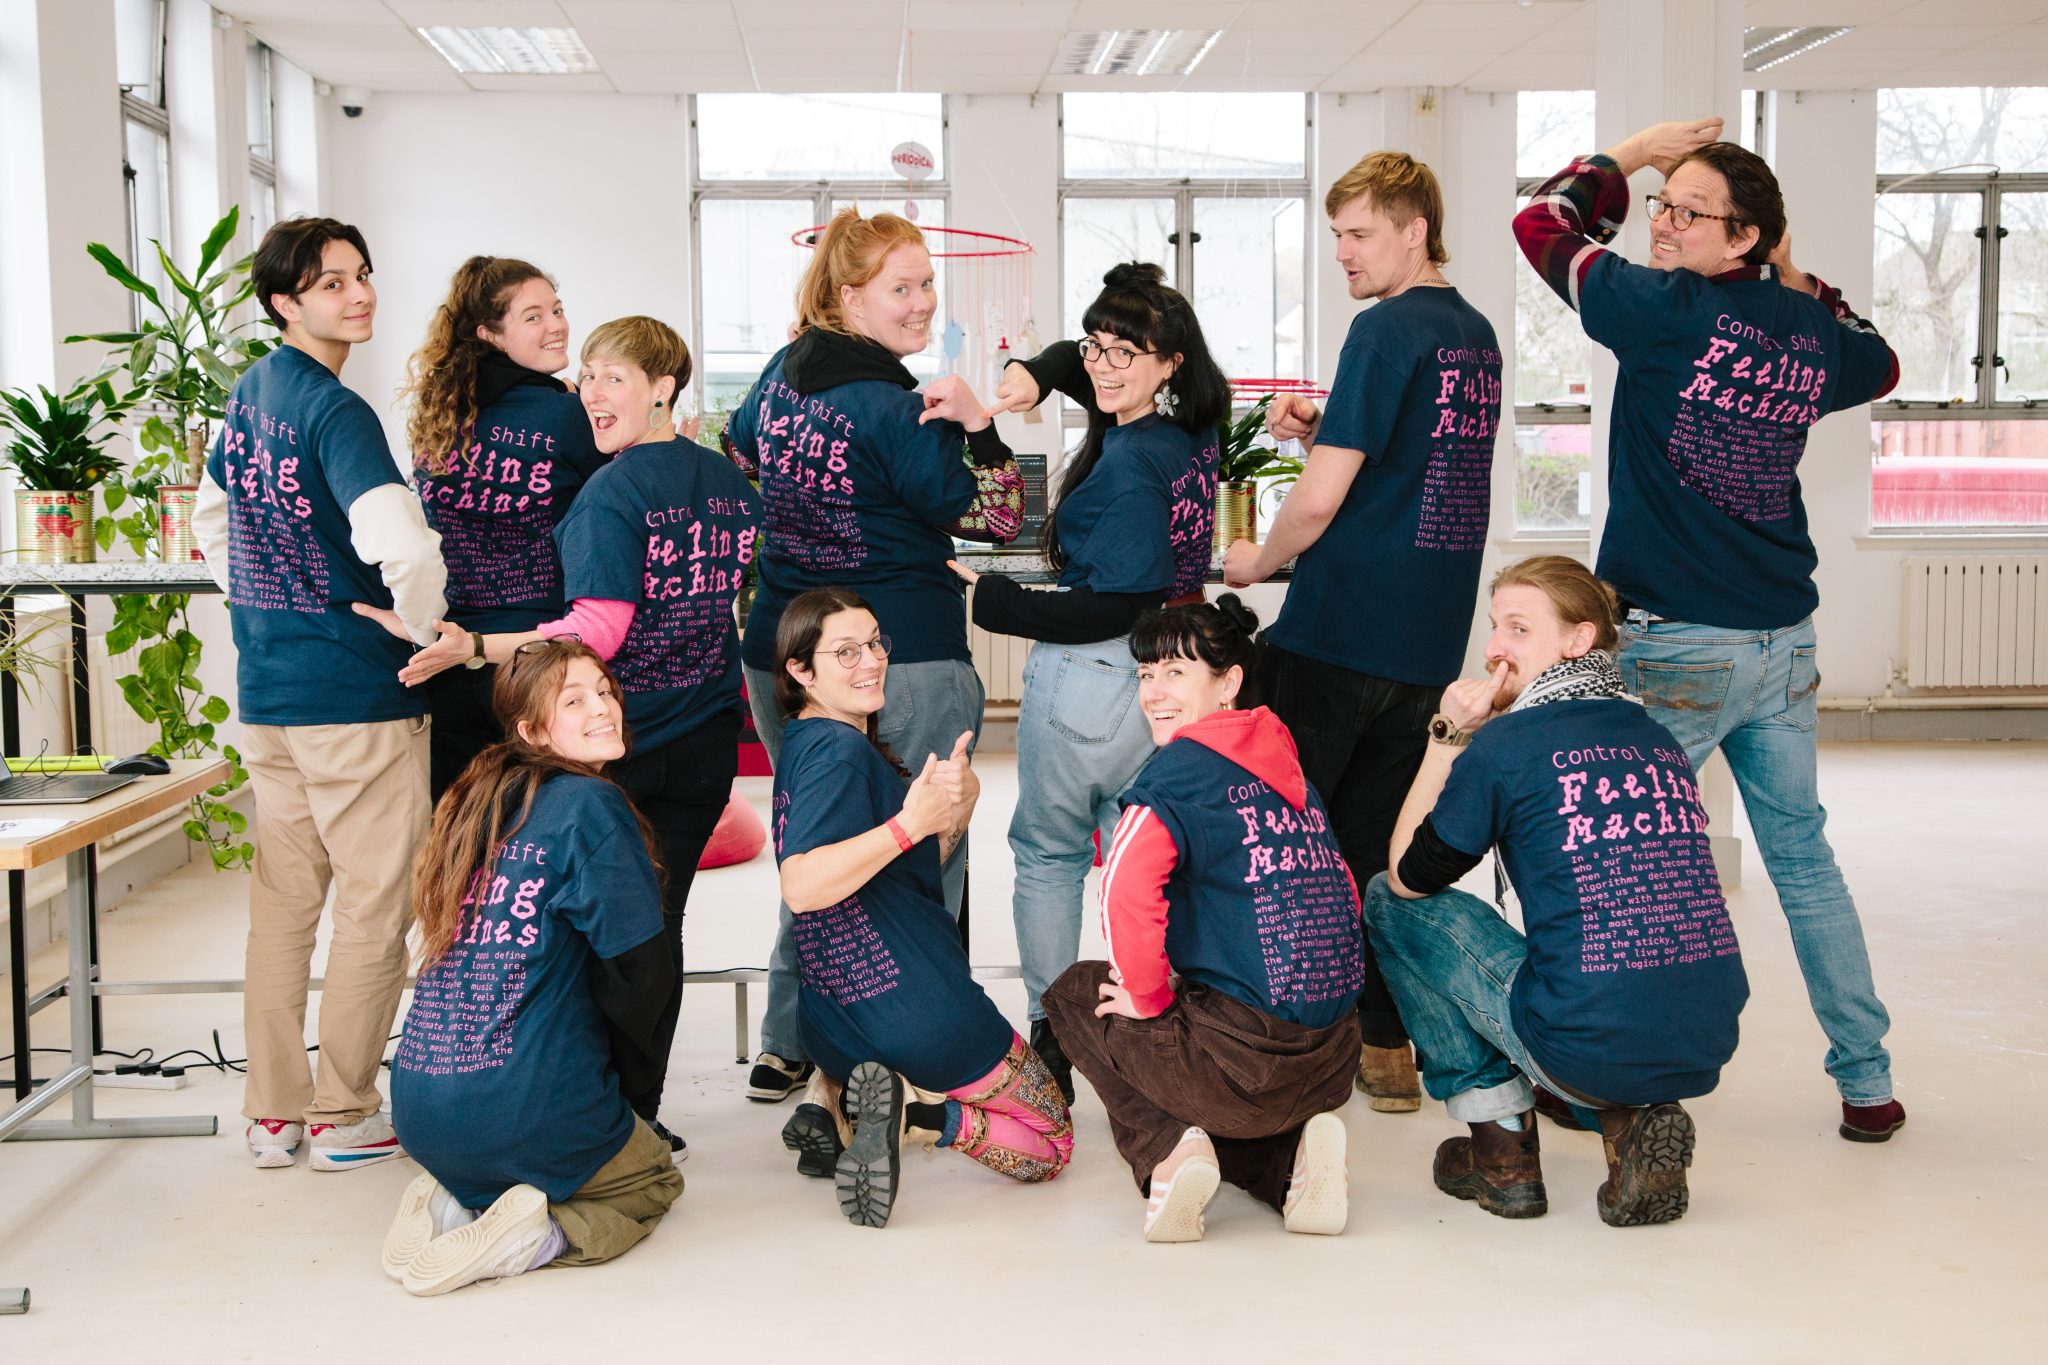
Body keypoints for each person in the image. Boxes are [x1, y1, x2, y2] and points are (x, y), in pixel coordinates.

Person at [1515, 119, 1904, 1143]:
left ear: (1740, 238)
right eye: (1660, 203)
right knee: (1801, 860)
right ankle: (1865, 1081)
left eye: (1689, 213)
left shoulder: (1657, 310)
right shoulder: (1806, 332)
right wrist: (1799, 280)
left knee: (1613, 855)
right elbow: (1884, 360)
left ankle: (1588, 1070)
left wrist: (1631, 150)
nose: (1662, 223)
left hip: (1671, 647)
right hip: (1779, 644)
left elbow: (1540, 222)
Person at [362, 316, 756, 1154]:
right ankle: (641, 1112)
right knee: (661, 923)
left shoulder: (608, 496)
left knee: (602, 933)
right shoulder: (724, 481)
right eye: (587, 377)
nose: (591, 393)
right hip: (708, 740)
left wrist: (477, 645)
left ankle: (604, 1110)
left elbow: (596, 631)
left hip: (621, 746)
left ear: (662, 388)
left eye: (613, 376)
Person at [1222, 150, 1504, 1115]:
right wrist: (1323, 429)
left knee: (1290, 840)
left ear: (1414, 228)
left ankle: (1286, 1042)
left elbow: (1323, 501)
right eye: (1335, 233)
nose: (1341, 252)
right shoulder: (1473, 333)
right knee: (1383, 852)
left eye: (1358, 234)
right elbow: (1407, 463)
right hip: (1427, 639)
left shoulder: (1382, 330)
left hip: (1336, 630)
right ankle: (1388, 1045)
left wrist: (1257, 561)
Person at [725, 208, 1024, 1105]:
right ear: (848, 295)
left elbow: (739, 449)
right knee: (923, 849)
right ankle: (923, 1051)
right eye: (903, 286)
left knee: (814, 846)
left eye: (929, 282)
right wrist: (980, 428)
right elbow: (998, 519)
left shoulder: (780, 374)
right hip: (902, 658)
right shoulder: (901, 406)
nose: (924, 302)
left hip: (786, 651)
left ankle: (790, 1041)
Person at [1368, 556, 1749, 1227]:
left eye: (1517, 628)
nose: (1493, 649)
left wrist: (1448, 733)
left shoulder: (1507, 745)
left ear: (1578, 640)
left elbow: (1407, 876)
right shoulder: (1654, 736)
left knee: (1385, 904)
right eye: (1492, 628)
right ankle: (1630, 1119)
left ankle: (1501, 1150)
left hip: (1581, 1038)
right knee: (1600, 954)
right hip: (1705, 1032)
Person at [192, 216, 446, 1173]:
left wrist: (258, 605)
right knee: (375, 906)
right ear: (284, 303)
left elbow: (211, 518)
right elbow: (408, 548)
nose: (359, 295)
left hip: (268, 694)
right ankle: (344, 1113)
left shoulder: (250, 393)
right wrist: (419, 629)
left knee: (283, 905)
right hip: (352, 698)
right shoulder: (337, 413)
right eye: (333, 283)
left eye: (363, 276)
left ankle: (270, 1116)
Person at [959, 261, 1228, 1101]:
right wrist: (1042, 370)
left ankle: (1056, 1035)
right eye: (1098, 347)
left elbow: (1114, 601)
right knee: (1130, 857)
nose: (1105, 367)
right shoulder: (1190, 434)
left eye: (1128, 353)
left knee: (1047, 851)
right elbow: (1085, 372)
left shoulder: (1129, 465)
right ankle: (1134, 1018)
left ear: (1170, 360)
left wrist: (993, 597)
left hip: (1095, 675)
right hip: (1166, 682)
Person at [1040, 595, 1360, 1243]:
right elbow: (1344, 897)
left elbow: (1124, 889)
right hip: (1331, 1057)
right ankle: (1288, 1164)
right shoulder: (1290, 771)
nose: (1154, 692)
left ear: (1229, 681)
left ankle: (1169, 1151)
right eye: (1144, 675)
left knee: (1076, 993)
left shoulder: (1178, 771)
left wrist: (1149, 996)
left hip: (1238, 1064)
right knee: (1205, 1003)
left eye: (1176, 672)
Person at [383, 639, 683, 1296]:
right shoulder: (590, 806)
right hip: (522, 1112)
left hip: (418, 1109)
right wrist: (630, 1102)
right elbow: (644, 976)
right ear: (531, 729)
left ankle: (458, 1199)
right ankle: (536, 1233)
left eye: (604, 690)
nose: (603, 708)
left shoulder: (475, 799)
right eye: (574, 700)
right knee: (654, 1178)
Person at [769, 588, 1072, 1229]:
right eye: (844, 652)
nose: (871, 661)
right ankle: (920, 1116)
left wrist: (953, 805)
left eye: (875, 642)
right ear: (800, 670)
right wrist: (910, 824)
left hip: (834, 1022)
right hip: (922, 1015)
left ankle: (834, 1102)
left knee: (865, 1059)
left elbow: (897, 872)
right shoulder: (839, 752)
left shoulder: (804, 742)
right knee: (1053, 1142)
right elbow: (800, 884)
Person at [399, 256, 609, 800]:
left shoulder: (439, 416)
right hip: (537, 661)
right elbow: (614, 513)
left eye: (557, 310)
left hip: (449, 657)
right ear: (489, 333)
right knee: (544, 828)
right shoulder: (567, 415)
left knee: (462, 828)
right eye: (533, 316)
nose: (557, 325)